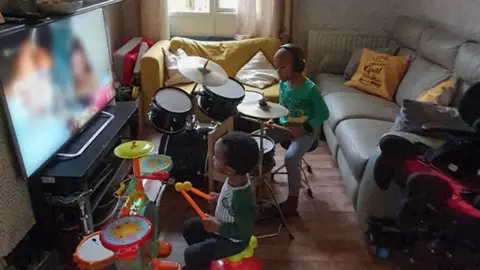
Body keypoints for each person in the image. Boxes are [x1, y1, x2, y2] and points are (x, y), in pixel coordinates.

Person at [265, 43, 330, 216]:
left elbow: (324, 114)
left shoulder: (310, 90)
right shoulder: (283, 85)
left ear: (298, 67)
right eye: (276, 67)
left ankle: (292, 202)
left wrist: (304, 127)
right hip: (285, 127)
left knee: (291, 158)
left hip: (307, 133)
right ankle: (261, 178)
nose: (278, 72)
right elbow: (282, 107)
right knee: (261, 139)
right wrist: (274, 119)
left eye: (283, 67)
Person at [182, 132, 259, 270]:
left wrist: (219, 228)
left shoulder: (242, 199)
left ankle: (200, 259)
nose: (212, 158)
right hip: (222, 228)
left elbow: (243, 232)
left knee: (191, 254)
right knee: (189, 227)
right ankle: (203, 259)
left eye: (216, 158)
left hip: (233, 241)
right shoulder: (237, 178)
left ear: (229, 170)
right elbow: (230, 202)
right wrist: (219, 198)